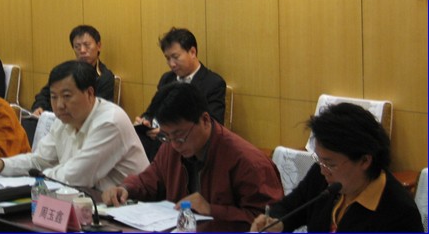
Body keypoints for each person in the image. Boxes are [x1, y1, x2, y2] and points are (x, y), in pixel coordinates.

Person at [103, 82, 283, 231]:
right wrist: (125, 189)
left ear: (205, 120)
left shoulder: (248, 162)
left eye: (180, 136)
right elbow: (150, 179)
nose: (174, 144)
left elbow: (269, 222)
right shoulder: (171, 147)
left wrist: (211, 209)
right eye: (166, 136)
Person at [250, 103, 424, 233]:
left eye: (330, 164)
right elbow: (290, 207)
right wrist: (276, 223)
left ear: (365, 160)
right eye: (319, 160)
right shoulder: (323, 176)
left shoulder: (400, 213)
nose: (322, 169)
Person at [0, 60, 148, 191]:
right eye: (54, 97)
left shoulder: (110, 122)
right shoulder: (64, 120)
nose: (59, 105)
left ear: (89, 93)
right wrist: (1, 164)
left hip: (129, 209)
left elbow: (77, 176)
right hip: (90, 202)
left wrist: (39, 176)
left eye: (67, 96)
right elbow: (39, 160)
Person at [134, 27, 226, 160]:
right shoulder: (167, 79)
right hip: (159, 147)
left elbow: (214, 125)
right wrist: (145, 122)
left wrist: (166, 133)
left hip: (191, 149)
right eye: (167, 58)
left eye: (175, 57)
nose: (172, 64)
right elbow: (152, 111)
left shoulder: (213, 83)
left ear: (192, 52)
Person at [31, 24, 114, 116]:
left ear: (98, 46)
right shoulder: (66, 71)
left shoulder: (105, 77)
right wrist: (39, 107)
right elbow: (45, 94)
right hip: (53, 117)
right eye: (77, 46)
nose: (82, 50)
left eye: (87, 45)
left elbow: (99, 110)